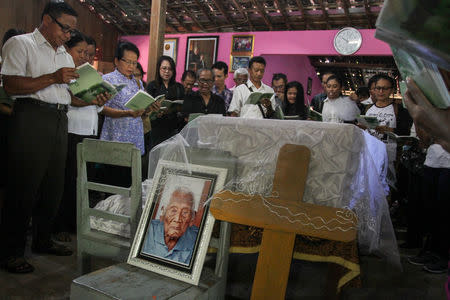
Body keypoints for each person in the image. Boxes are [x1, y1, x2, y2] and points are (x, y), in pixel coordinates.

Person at [0, 1, 90, 273]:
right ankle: (10, 252)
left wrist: (88, 99)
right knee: (24, 187)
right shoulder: (21, 44)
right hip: (31, 117)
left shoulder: (64, 54)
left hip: (60, 118)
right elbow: (11, 84)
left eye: (73, 31)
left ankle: (42, 239)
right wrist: (52, 77)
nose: (69, 35)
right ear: (47, 20)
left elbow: (65, 94)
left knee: (53, 186)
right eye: (66, 28)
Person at [53, 30, 107, 242]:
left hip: (89, 131)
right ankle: (60, 225)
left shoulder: (89, 74)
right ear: (68, 50)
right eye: (81, 51)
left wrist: (101, 99)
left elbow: (98, 109)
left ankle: (75, 221)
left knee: (82, 181)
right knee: (68, 180)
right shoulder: (66, 72)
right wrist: (92, 101)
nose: (85, 56)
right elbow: (71, 100)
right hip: (72, 130)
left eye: (88, 53)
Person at [100, 41, 158, 186]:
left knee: (131, 183)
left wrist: (150, 107)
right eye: (128, 62)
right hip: (116, 138)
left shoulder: (136, 82)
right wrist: (126, 113)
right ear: (116, 61)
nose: (132, 66)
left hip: (135, 139)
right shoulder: (107, 80)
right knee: (114, 182)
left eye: (134, 63)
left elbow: (141, 111)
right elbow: (101, 109)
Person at [142, 187, 199, 265]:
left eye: (185, 212)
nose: (177, 218)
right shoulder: (147, 230)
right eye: (173, 210)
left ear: (192, 219)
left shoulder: (198, 239)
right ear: (163, 213)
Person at [146, 56, 184, 148]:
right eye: (164, 68)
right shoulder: (152, 86)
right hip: (156, 128)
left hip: (173, 128)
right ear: (158, 69)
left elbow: (183, 106)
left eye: (170, 69)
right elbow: (146, 109)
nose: (167, 71)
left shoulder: (179, 87)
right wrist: (155, 111)